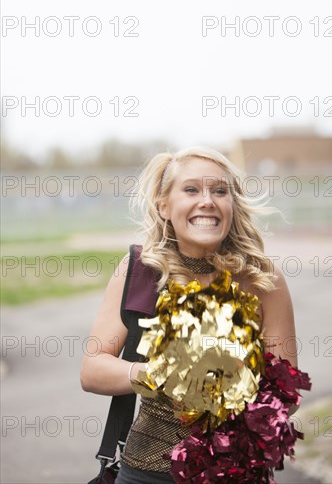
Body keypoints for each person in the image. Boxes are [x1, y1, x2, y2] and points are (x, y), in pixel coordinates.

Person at [80, 146, 298, 484]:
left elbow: (286, 392)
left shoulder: (263, 278)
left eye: (220, 191)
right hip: (146, 472)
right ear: (164, 206)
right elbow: (92, 369)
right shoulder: (139, 269)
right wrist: (161, 375)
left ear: (232, 205)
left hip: (235, 472)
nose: (208, 200)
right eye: (192, 189)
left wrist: (233, 386)